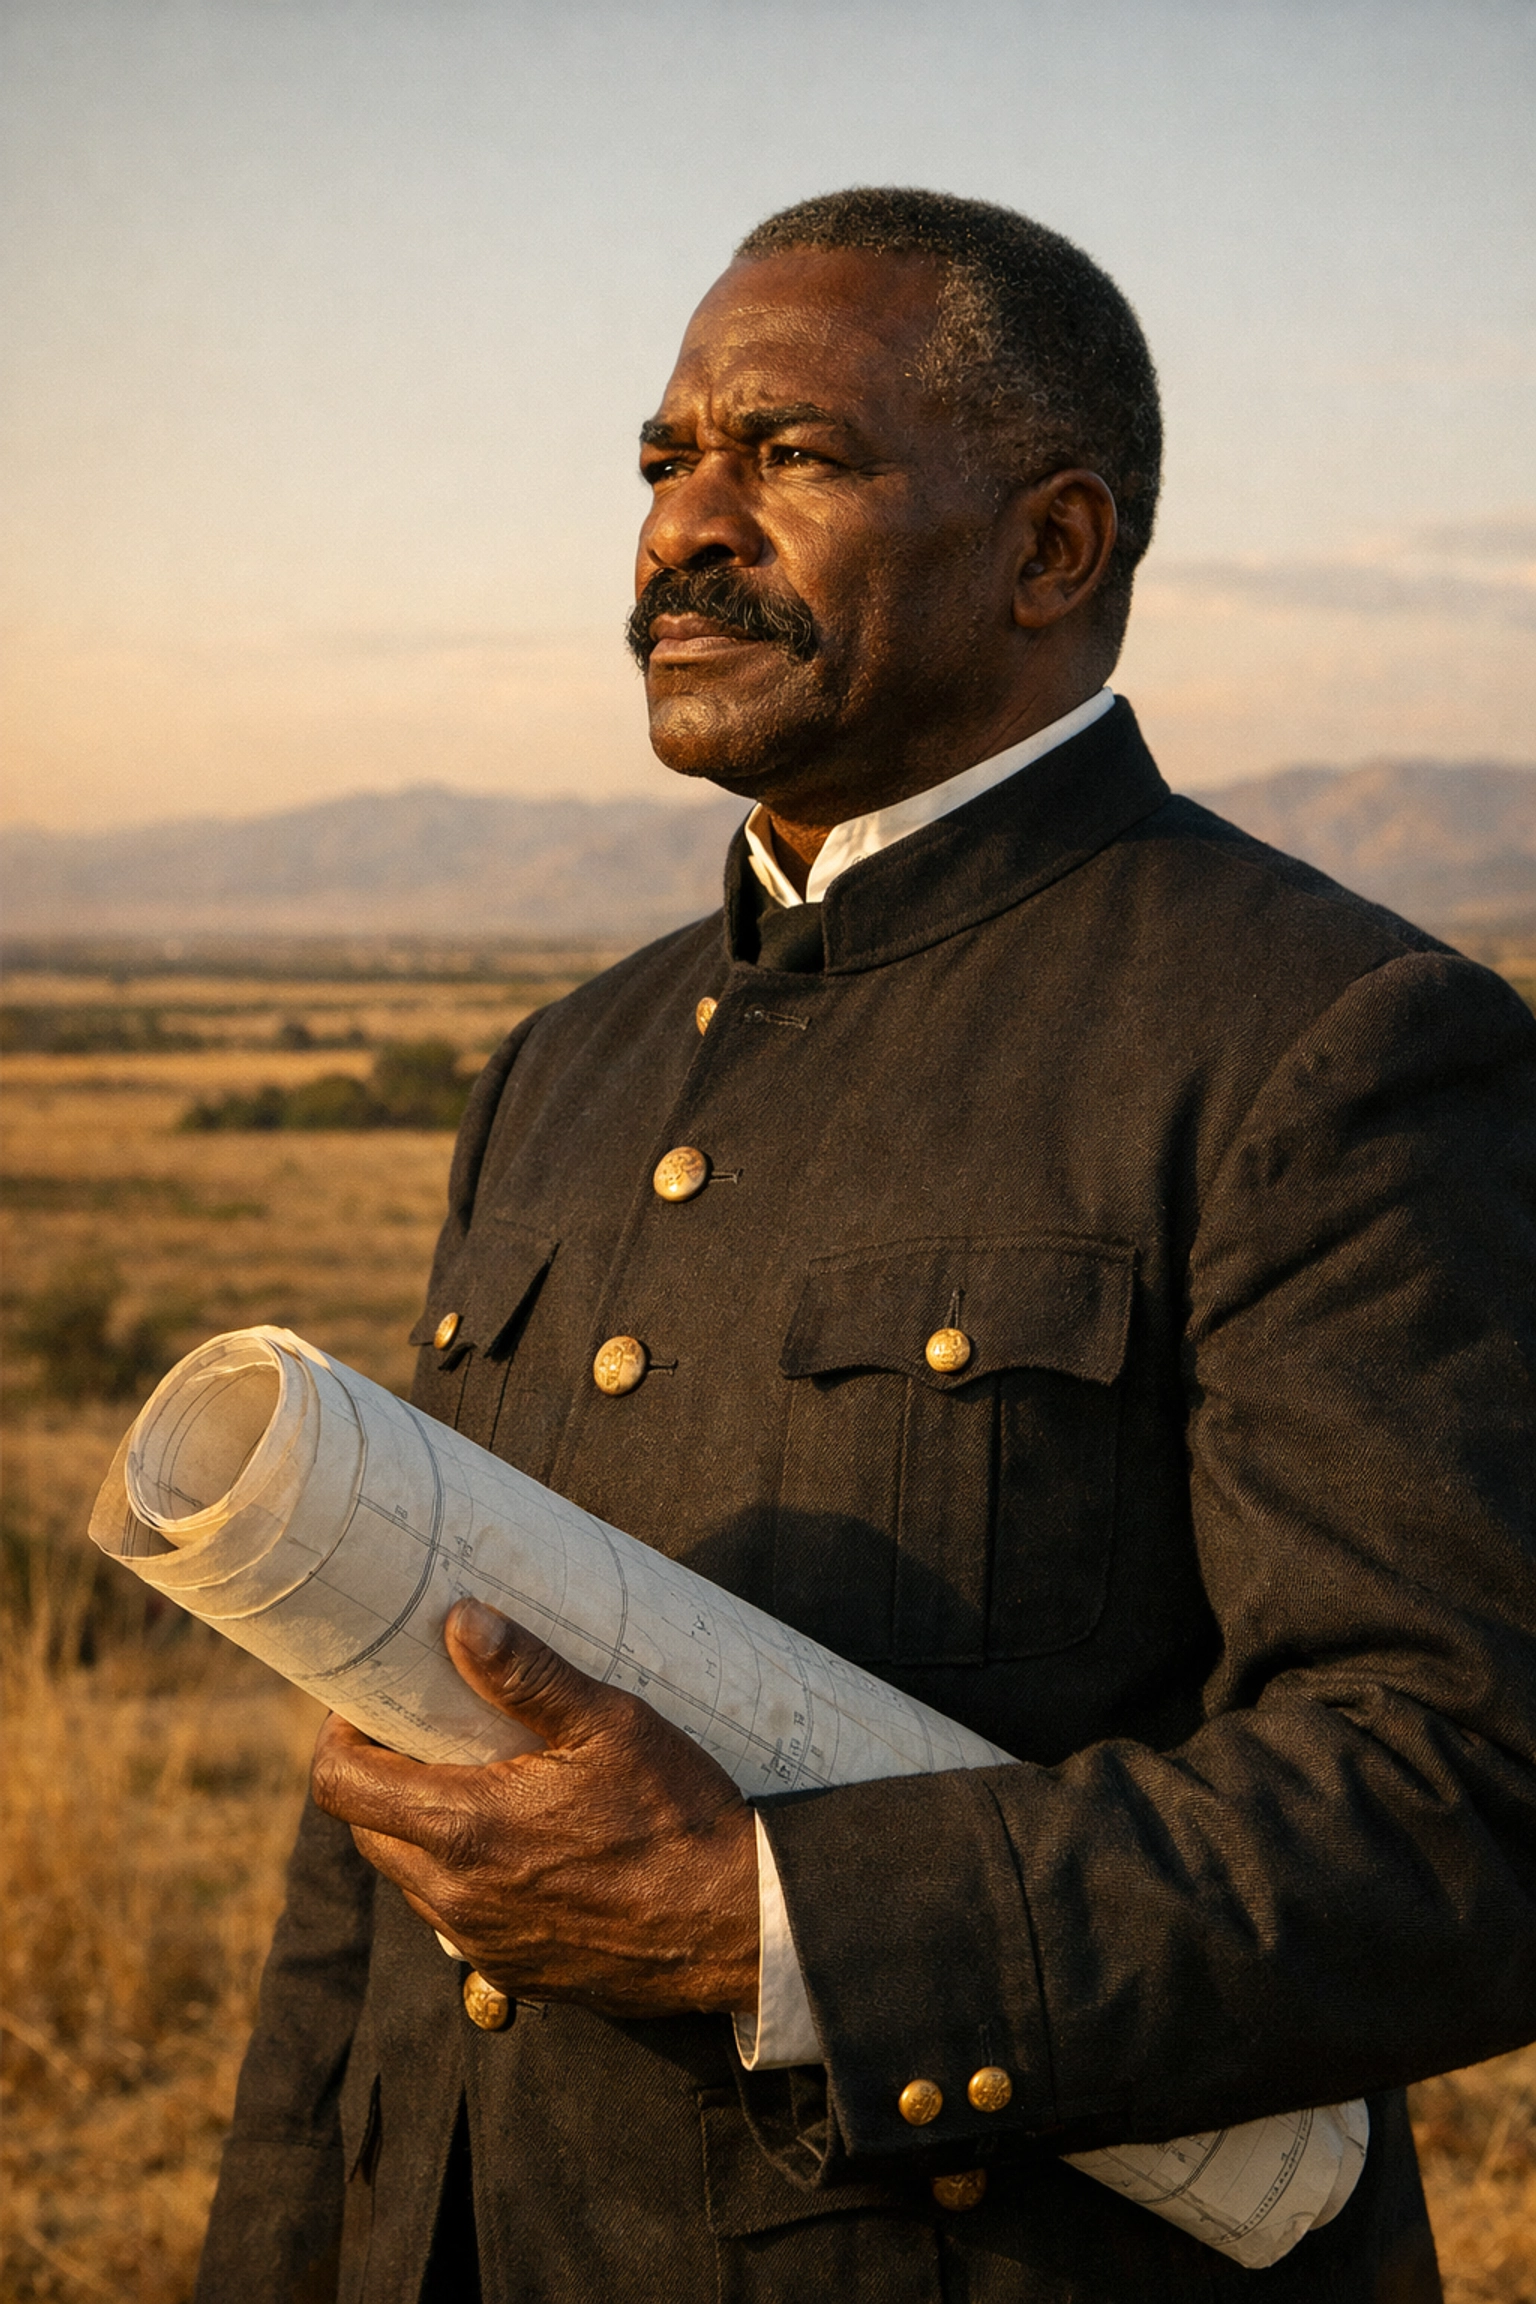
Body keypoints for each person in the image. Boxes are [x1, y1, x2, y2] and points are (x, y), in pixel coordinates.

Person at [195, 190, 1536, 2304]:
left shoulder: (1321, 1038)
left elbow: (1464, 1797)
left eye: (789, 453)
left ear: (1051, 548)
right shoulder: (565, 1065)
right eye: (663, 461)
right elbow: (391, 1803)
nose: (681, 526)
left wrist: (769, 1922)